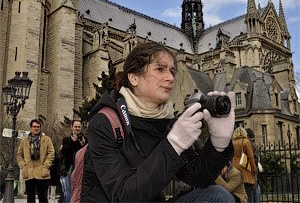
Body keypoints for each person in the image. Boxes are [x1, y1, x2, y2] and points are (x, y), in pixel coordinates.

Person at [82, 41, 236, 202]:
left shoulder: (166, 123)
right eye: (160, 69)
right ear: (134, 77)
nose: (170, 78)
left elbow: (198, 176)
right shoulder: (105, 123)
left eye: (172, 71)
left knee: (218, 197)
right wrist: (173, 145)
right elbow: (122, 196)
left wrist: (219, 142)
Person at [16, 119, 55, 203]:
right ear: (31, 128)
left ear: (40, 128)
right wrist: (23, 166)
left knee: (43, 198)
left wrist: (46, 165)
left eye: (38, 127)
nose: (36, 128)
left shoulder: (47, 139)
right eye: (34, 127)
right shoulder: (24, 141)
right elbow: (19, 155)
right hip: (29, 172)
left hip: (42, 172)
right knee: (30, 198)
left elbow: (51, 153)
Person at [60, 120, 87, 203]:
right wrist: (72, 141)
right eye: (75, 127)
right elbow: (64, 152)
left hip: (81, 168)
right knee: (68, 192)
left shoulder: (85, 139)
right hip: (69, 168)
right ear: (72, 127)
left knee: (79, 191)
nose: (77, 129)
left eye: (79, 127)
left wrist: (83, 144)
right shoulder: (66, 140)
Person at [232, 127, 257, 203]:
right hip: (244, 168)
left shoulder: (232, 143)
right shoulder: (246, 142)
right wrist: (254, 169)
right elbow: (251, 157)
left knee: (236, 194)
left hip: (235, 168)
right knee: (248, 193)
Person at [246, 128, 261, 203]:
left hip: (250, 170)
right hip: (254, 170)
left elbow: (251, 158)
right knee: (255, 188)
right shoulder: (253, 143)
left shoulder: (249, 144)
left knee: (251, 191)